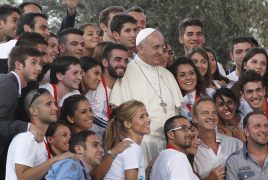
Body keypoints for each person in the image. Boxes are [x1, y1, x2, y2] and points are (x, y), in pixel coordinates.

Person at [110, 28, 183, 166]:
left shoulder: (167, 74)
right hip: (141, 144)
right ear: (141, 48)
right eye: (156, 47)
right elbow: (119, 114)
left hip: (169, 143)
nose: (161, 52)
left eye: (162, 47)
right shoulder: (127, 72)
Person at [5, 88, 75, 180]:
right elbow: (22, 177)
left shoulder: (40, 138)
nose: (55, 108)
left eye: (54, 103)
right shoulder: (26, 138)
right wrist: (56, 159)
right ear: (33, 110)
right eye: (48, 104)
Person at [0, 46, 43, 179]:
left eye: (40, 63)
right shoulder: (9, 85)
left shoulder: (8, 82)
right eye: (33, 62)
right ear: (19, 65)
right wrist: (28, 127)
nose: (39, 68)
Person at [85, 43, 128, 141]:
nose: (123, 64)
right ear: (105, 62)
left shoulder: (125, 89)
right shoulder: (93, 86)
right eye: (117, 60)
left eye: (126, 61)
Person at [192, 97, 243, 179]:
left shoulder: (236, 144)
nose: (211, 117)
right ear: (195, 118)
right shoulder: (192, 150)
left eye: (214, 113)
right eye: (205, 113)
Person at [103, 100, 150, 180]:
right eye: (141, 117)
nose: (148, 119)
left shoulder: (129, 146)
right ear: (128, 124)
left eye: (147, 115)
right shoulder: (132, 148)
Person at [150, 115, 198, 180]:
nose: (190, 133)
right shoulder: (178, 158)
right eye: (184, 128)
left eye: (190, 129)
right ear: (171, 134)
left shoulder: (161, 157)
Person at [226, 111, 268, 180]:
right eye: (257, 126)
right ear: (246, 132)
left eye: (266, 126)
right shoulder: (234, 161)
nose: (263, 130)